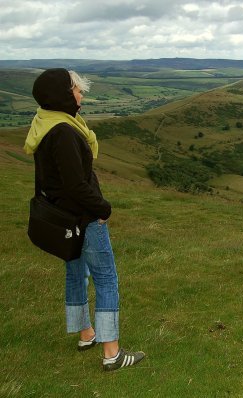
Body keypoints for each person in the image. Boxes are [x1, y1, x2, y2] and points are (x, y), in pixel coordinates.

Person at [23, 68, 145, 371]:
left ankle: (86, 334)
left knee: (76, 274)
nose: (82, 95)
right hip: (83, 217)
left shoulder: (45, 122)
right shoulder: (63, 132)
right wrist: (103, 209)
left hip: (64, 218)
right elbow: (76, 184)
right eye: (77, 90)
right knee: (106, 279)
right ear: (63, 95)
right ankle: (112, 353)